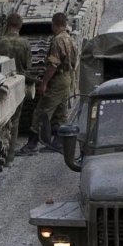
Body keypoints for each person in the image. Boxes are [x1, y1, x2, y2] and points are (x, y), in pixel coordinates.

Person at [34, 11, 79, 147]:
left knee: (42, 111)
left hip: (57, 79)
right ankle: (59, 142)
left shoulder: (57, 40)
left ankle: (32, 143)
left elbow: (53, 64)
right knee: (61, 111)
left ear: (55, 25)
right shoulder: (70, 39)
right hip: (67, 77)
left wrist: (44, 83)